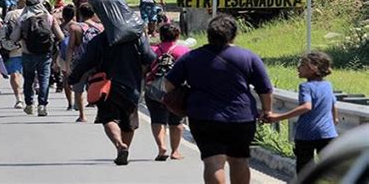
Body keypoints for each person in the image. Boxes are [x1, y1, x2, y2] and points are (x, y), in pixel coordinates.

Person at [165, 14, 273, 184]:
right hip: (241, 117)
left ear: (208, 34)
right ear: (234, 34)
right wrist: (267, 110)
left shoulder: (192, 57)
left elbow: (169, 85)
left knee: (213, 162)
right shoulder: (249, 57)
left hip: (203, 117)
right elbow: (265, 89)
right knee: (239, 160)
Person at [69, 0, 155, 166]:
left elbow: (86, 62)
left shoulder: (99, 40)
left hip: (106, 86)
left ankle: (119, 144)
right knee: (129, 123)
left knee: (109, 118)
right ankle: (124, 149)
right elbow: (149, 57)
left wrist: (73, 78)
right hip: (132, 86)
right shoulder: (137, 37)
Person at [266, 51, 338, 174]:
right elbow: (333, 104)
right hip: (327, 133)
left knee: (304, 170)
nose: (298, 68)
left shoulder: (305, 87)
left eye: (302, 65)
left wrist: (279, 117)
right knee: (328, 170)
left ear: (313, 68)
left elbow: (306, 106)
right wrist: (334, 120)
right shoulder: (328, 85)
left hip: (307, 134)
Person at [10, 0, 62, 117]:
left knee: (29, 79)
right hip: (45, 54)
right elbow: (60, 36)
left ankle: (29, 105)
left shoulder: (23, 19)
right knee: (44, 79)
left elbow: (14, 38)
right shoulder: (49, 17)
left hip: (28, 53)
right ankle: (42, 106)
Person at [145, 24, 189, 161]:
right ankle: (175, 151)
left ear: (160, 35)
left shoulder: (152, 50)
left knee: (157, 119)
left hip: (154, 90)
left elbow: (144, 69)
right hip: (177, 91)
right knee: (176, 121)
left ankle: (161, 147)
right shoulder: (184, 51)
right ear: (177, 36)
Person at [66, 3, 104, 122]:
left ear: (80, 13)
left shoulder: (75, 28)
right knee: (98, 86)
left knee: (78, 89)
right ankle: (100, 114)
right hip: (97, 61)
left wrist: (68, 65)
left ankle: (82, 115)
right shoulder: (101, 27)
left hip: (80, 61)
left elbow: (71, 47)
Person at [0, 0, 28, 109]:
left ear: (18, 3)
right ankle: (31, 97)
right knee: (31, 74)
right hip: (31, 48)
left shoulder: (11, 14)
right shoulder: (37, 13)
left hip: (14, 48)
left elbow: (4, 29)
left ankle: (19, 99)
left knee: (15, 73)